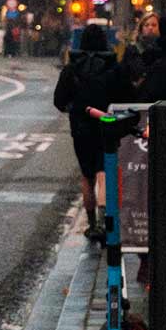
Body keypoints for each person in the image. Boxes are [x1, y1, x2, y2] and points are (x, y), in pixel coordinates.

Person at [54, 22, 117, 242]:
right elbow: (124, 95)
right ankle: (105, 222)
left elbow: (59, 101)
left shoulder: (72, 68)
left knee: (87, 176)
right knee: (104, 172)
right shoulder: (112, 66)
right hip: (107, 125)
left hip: (81, 128)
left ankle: (91, 225)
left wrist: (75, 109)